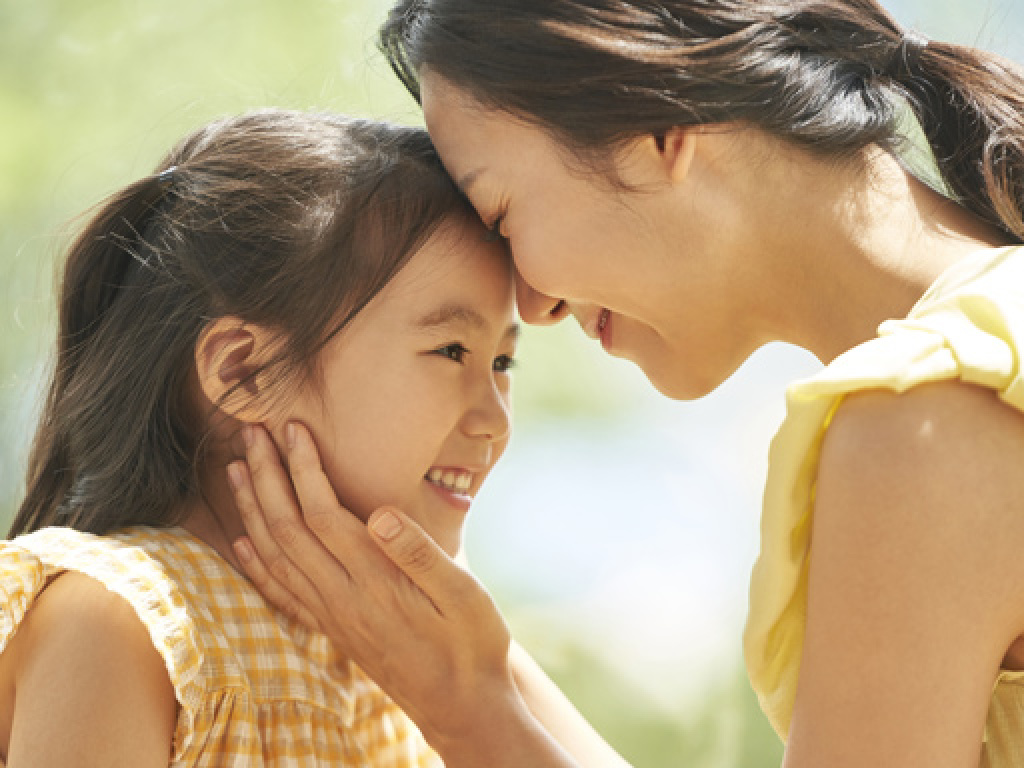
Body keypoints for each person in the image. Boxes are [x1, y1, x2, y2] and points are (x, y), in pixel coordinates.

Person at [225, 1, 1024, 767]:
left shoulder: (927, 423)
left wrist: (464, 712)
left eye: (500, 214)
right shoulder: (985, 350)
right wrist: (471, 665)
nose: (533, 306)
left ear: (660, 126)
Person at [0, 108, 540, 767]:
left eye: (503, 363)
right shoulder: (113, 619)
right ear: (244, 371)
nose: (495, 421)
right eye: (452, 350)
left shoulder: (394, 664)